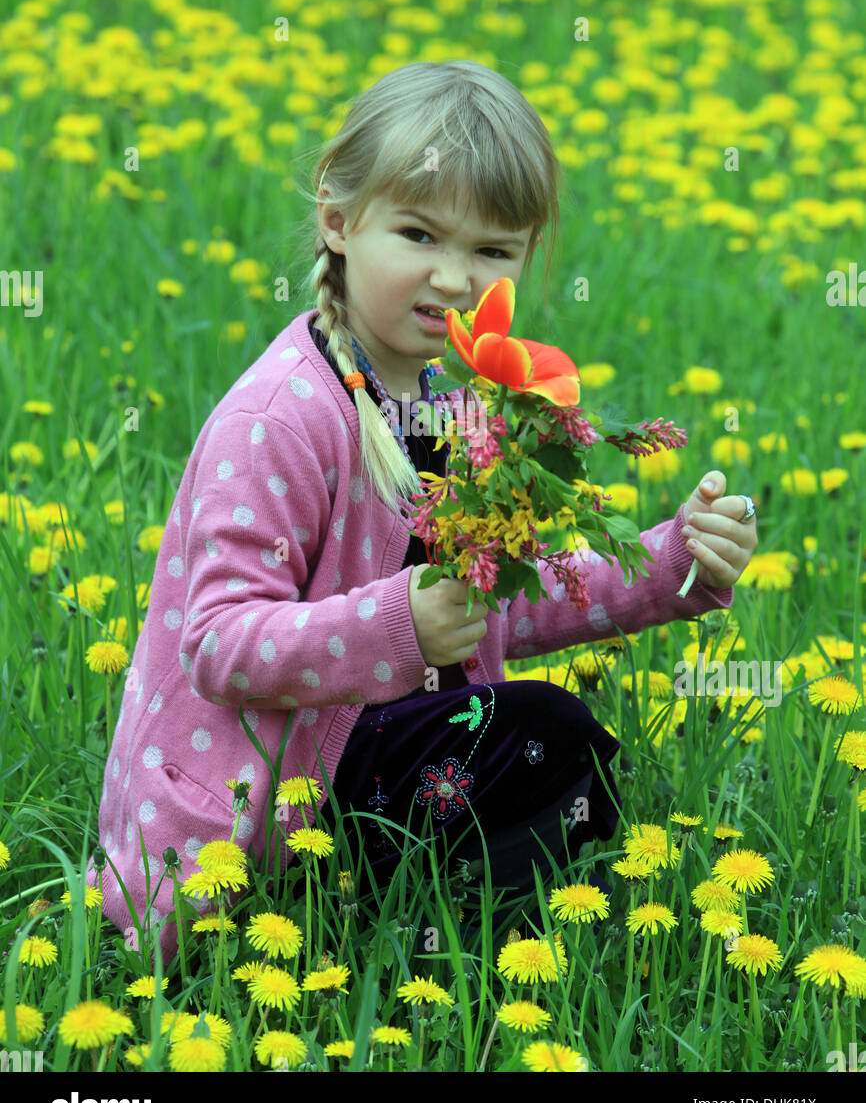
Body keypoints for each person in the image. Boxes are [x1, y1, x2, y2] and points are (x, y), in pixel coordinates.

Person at [86, 59, 758, 963]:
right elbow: (217, 644)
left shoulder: (454, 405)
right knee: (544, 738)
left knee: (561, 747)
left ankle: (427, 939)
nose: (451, 278)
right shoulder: (281, 419)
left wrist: (669, 562)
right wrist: (403, 622)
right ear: (338, 219)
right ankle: (409, 942)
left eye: (491, 250)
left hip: (358, 760)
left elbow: (496, 604)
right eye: (417, 233)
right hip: (251, 814)